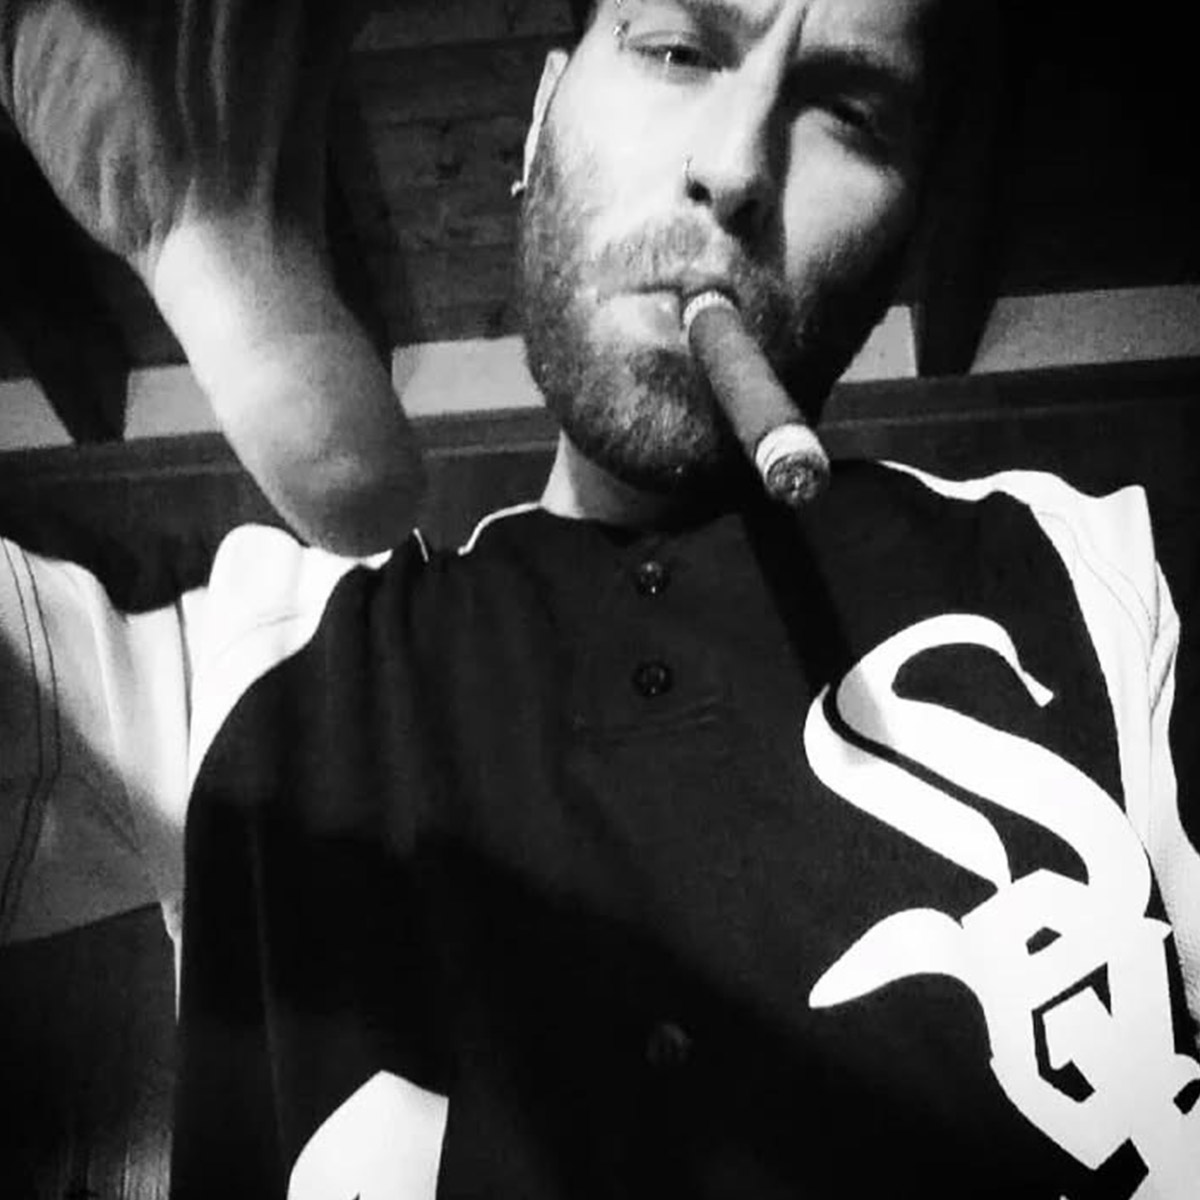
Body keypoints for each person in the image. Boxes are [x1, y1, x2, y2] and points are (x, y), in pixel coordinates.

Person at [3, 0, 1199, 1196]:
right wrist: (200, 249)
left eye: (846, 110)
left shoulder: (1098, 575)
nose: (734, 168)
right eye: (678, 50)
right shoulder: (231, 660)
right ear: (537, 127)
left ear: (901, 235)